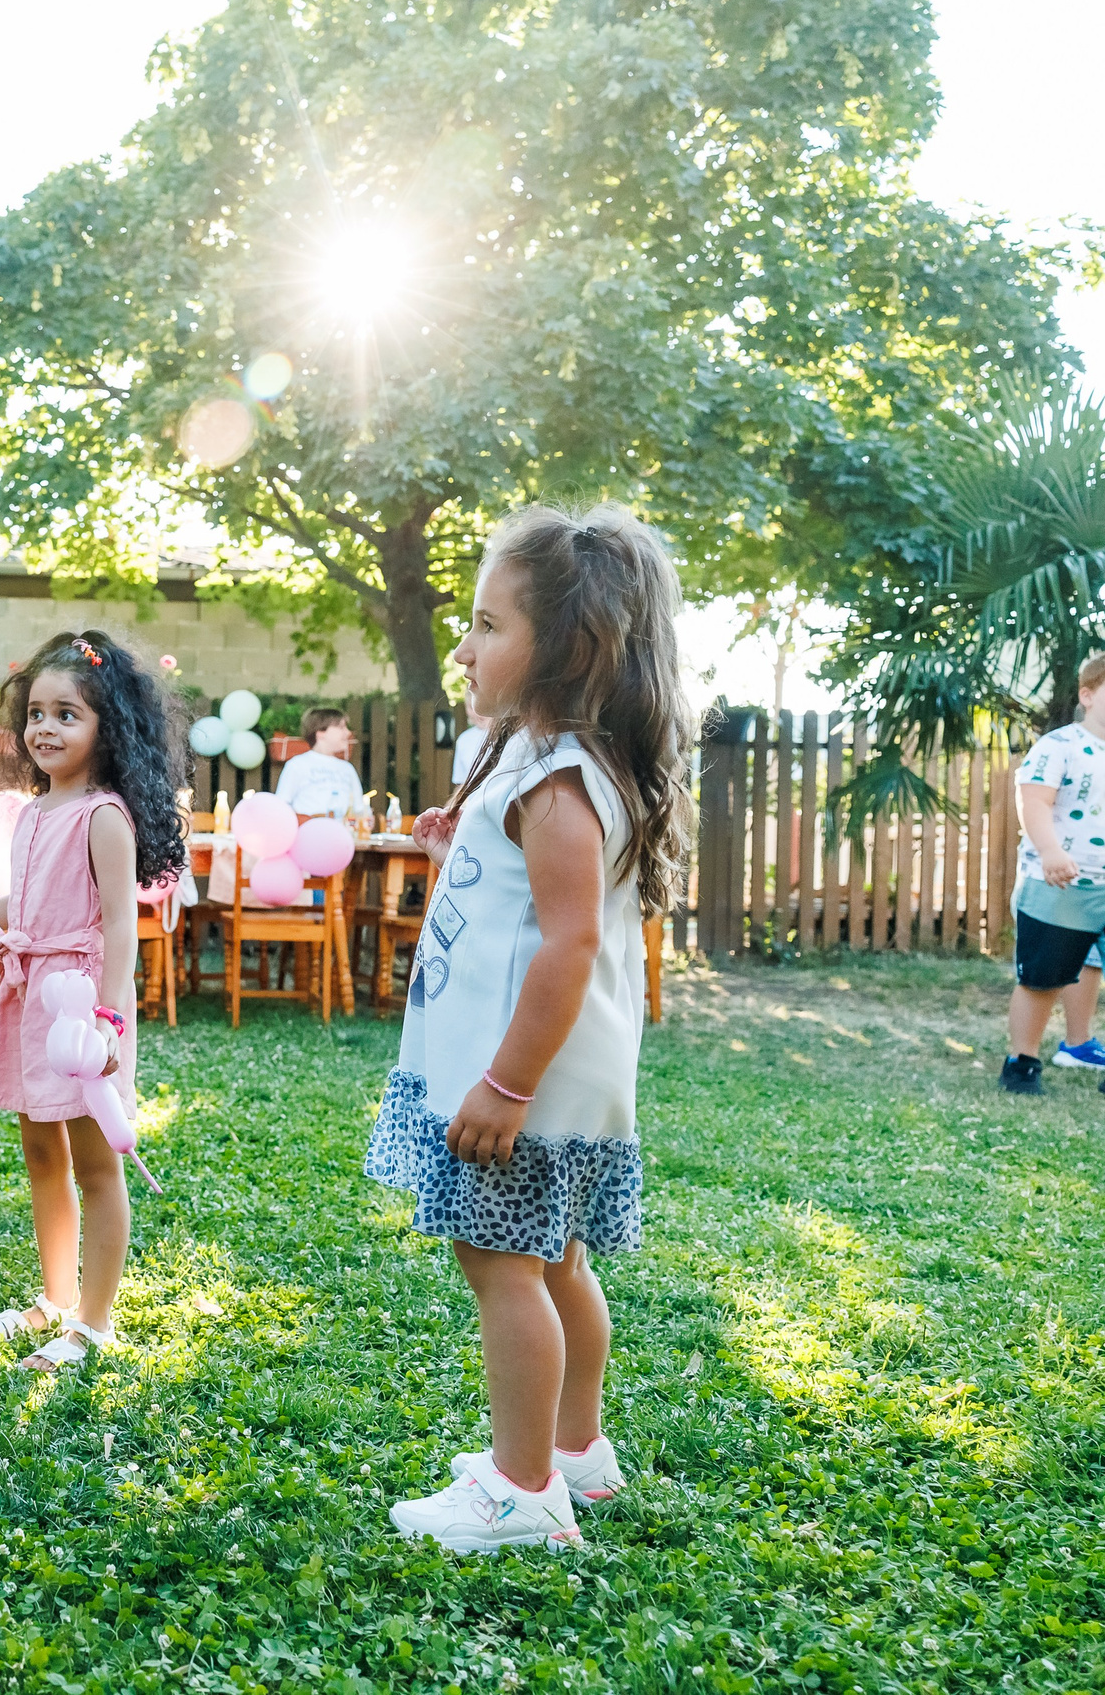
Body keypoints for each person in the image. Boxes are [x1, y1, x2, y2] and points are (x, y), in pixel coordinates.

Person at [363, 504, 693, 1551]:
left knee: (502, 1264)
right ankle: (577, 1454)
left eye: (486, 625)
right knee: (556, 1262)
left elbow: (567, 947)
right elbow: (528, 903)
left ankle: (520, 1491)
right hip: (567, 1076)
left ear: (568, 647)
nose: (464, 646)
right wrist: (454, 849)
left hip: (522, 1075)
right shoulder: (544, 760)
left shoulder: (554, 778)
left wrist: (504, 1086)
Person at [0, 631, 189, 1371]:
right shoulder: (32, 813)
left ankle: (93, 1322)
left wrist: (109, 1019)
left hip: (82, 1009)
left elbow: (120, 930)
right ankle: (56, 1297)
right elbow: (20, 901)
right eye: (36, 713)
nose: (46, 728)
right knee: (40, 1152)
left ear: (106, 726)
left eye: (68, 714)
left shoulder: (104, 815)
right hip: (29, 998)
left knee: (95, 1166)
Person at [1000, 656, 1105, 1095]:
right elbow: (1034, 801)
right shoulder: (1061, 745)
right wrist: (1050, 851)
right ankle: (1022, 1061)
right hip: (1061, 882)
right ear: (1087, 695)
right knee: (1043, 977)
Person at [275, 706, 366, 817]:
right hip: (309, 830)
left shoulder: (347, 768)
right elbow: (282, 805)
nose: (348, 733)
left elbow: (359, 808)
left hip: (341, 831)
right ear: (320, 733)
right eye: (341, 727)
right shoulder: (297, 765)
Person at [451, 698, 492, 789]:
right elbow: (462, 784)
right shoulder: (464, 739)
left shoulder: (511, 736)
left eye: (484, 706)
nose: (478, 713)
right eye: (471, 707)